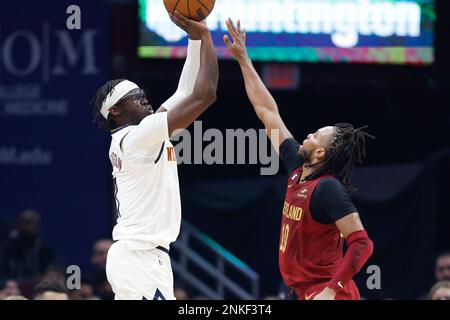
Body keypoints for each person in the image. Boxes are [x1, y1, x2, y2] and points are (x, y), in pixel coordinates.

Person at [224, 18, 373, 300]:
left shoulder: (328, 189)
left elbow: (362, 244)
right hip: (301, 290)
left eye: (316, 135)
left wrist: (332, 289)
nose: (308, 134)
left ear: (321, 153)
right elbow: (267, 111)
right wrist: (243, 59)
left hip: (327, 294)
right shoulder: (297, 168)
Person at [91, 12, 218, 300]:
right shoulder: (138, 137)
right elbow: (205, 94)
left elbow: (185, 91)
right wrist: (208, 37)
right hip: (139, 257)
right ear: (116, 111)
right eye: (134, 96)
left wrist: (195, 38)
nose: (144, 97)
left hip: (144, 257)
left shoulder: (136, 135)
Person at [0, 210, 56, 280]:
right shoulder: (6, 248)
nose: (30, 227)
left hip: (37, 287)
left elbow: (52, 272)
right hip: (10, 287)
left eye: (34, 224)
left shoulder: (45, 250)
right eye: (27, 223)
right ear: (18, 225)